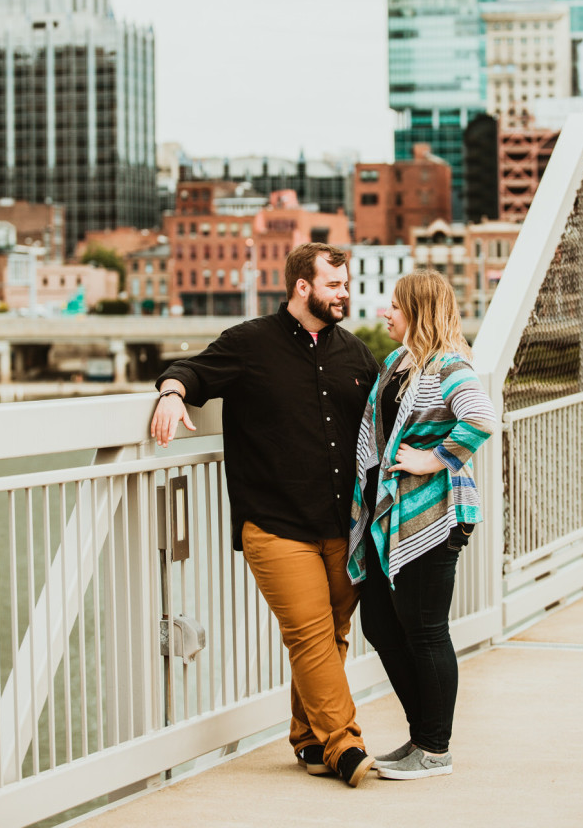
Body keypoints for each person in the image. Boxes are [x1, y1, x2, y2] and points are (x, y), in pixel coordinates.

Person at [151, 242, 379, 787]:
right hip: (276, 525)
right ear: (302, 287)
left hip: (343, 527)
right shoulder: (249, 343)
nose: (344, 293)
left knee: (333, 633)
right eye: (333, 284)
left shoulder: (356, 354)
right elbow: (190, 371)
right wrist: (172, 393)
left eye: (346, 284)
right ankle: (344, 743)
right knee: (310, 633)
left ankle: (309, 740)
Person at [347, 269, 496, 780]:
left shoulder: (448, 365)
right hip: (388, 515)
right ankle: (422, 735)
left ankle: (435, 749)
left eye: (394, 305)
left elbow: (480, 418)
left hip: (433, 516)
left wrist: (433, 460)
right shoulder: (398, 362)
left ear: (417, 310)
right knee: (381, 625)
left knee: (426, 631)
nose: (386, 313)